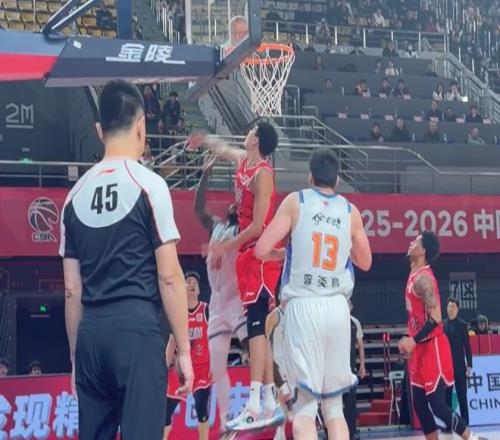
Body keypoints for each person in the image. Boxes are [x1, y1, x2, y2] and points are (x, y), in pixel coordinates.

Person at [60, 80, 193, 440]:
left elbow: (72, 290)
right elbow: (169, 277)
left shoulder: (73, 197)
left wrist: (76, 359)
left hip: (91, 336)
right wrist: (183, 349)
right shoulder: (149, 185)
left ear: (99, 130)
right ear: (141, 125)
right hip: (136, 331)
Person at [255, 147, 372, 440]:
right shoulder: (351, 211)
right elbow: (366, 261)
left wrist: (285, 252)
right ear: (337, 179)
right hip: (337, 309)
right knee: (334, 410)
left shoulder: (296, 201)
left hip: (303, 307)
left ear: (310, 176)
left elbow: (261, 248)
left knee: (305, 409)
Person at [186, 123, 283, 431]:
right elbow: (223, 148)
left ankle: (263, 402)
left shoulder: (263, 174)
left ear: (256, 139)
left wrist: (225, 246)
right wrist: (204, 140)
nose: (247, 133)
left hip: (258, 253)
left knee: (257, 331)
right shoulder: (244, 160)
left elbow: (257, 226)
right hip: (241, 263)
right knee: (256, 333)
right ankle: (263, 403)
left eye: (251, 130)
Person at [398, 232, 482, 440]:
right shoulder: (413, 274)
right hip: (420, 347)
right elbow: (417, 316)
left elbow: (436, 318)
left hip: (433, 346)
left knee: (437, 405)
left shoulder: (423, 278)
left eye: (415, 241)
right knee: (419, 403)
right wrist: (411, 341)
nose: (411, 243)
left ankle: (471, 437)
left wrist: (413, 340)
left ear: (422, 251)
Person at [193, 156, 248, 432]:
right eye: (233, 204)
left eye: (239, 204)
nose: (233, 205)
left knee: (256, 352)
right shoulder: (217, 227)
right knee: (217, 369)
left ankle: (275, 400)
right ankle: (226, 421)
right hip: (216, 306)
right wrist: (205, 174)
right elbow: (198, 208)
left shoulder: (243, 231)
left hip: (237, 300)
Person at [165, 272, 211, 440]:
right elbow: (172, 343)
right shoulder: (178, 313)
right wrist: (163, 368)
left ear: (198, 290)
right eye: (188, 281)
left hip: (202, 369)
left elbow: (216, 336)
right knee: (165, 412)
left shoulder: (206, 309)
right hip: (181, 371)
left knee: (201, 405)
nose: (191, 283)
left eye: (194, 282)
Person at [444, 298, 472, 425]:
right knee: (447, 396)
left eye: (453, 306)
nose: (450, 309)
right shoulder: (442, 325)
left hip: (460, 366)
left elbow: (467, 346)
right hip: (446, 367)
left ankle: (465, 422)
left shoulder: (462, 325)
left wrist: (469, 364)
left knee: (462, 395)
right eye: (449, 306)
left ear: (457, 309)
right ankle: (448, 423)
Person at [344, 299, 367, 440]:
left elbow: (360, 345)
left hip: (350, 367)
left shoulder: (354, 322)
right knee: (335, 402)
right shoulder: (333, 320)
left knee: (351, 401)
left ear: (351, 307)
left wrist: (362, 365)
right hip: (335, 368)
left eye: (348, 304)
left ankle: (352, 432)